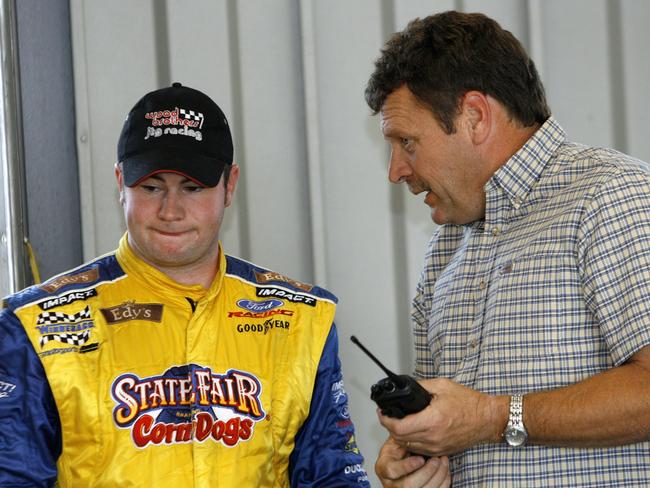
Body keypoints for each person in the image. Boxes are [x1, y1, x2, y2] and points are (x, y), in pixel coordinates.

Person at [0, 82, 370, 487]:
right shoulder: (34, 326)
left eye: (193, 188)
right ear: (120, 182)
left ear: (230, 185)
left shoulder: (302, 320)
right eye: (151, 187)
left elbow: (333, 478)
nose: (170, 210)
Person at [364, 10, 650, 487]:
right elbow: (452, 424)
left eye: (407, 142)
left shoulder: (612, 196)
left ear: (474, 116)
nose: (396, 170)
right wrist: (416, 459)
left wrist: (492, 417)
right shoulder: (445, 251)